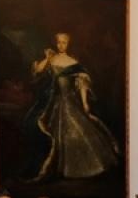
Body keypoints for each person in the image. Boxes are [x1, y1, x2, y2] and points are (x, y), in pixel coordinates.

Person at [28, 31, 120, 182]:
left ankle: (78, 169)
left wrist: (84, 103)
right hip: (53, 101)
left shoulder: (73, 63)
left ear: (68, 43)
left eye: (64, 42)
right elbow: (38, 71)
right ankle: (55, 170)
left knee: (77, 130)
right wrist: (47, 58)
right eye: (59, 42)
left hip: (70, 101)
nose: (61, 45)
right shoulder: (52, 59)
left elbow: (81, 84)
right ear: (55, 42)